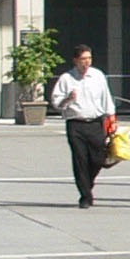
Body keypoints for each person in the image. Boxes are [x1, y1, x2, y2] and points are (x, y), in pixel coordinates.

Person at [51, 44, 115, 208]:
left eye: (89, 58)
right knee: (80, 159)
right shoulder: (67, 78)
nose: (87, 62)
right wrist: (68, 99)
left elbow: (106, 97)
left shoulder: (98, 75)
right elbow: (56, 103)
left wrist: (112, 118)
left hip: (95, 123)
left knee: (98, 159)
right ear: (75, 60)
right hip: (76, 124)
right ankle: (85, 196)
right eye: (83, 59)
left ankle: (87, 183)